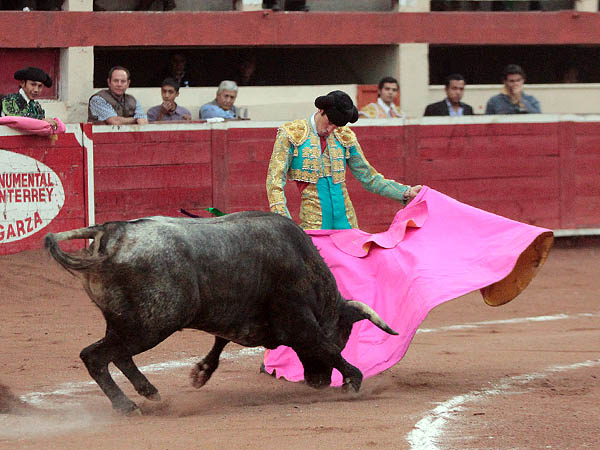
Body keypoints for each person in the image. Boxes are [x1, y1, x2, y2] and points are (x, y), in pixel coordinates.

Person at [266, 90, 421, 230]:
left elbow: (369, 177)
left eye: (337, 126)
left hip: (347, 222)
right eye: (330, 123)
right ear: (321, 110)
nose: (331, 130)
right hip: (314, 224)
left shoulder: (344, 136)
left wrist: (405, 192)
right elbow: (274, 182)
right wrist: (284, 223)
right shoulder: (291, 134)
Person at [0, 66, 59, 131]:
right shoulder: (9, 100)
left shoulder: (36, 106)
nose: (36, 90)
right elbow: (14, 117)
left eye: (40, 86)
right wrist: (40, 119)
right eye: (33, 84)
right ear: (22, 83)